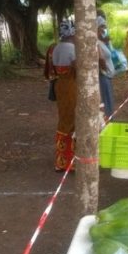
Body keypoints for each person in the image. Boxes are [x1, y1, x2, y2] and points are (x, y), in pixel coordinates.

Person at [52, 20, 77, 172]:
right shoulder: (72, 48)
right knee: (73, 121)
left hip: (60, 86)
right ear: (72, 33)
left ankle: (61, 161)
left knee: (63, 120)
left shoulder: (55, 48)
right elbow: (77, 67)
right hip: (71, 87)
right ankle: (72, 163)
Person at [97, 18, 115, 119]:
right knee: (106, 100)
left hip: (107, 75)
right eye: (102, 27)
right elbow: (100, 59)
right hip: (103, 76)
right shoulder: (96, 43)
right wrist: (105, 70)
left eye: (105, 27)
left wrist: (107, 42)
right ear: (97, 28)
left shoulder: (102, 41)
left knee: (108, 99)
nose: (105, 29)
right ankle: (108, 121)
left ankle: (109, 119)